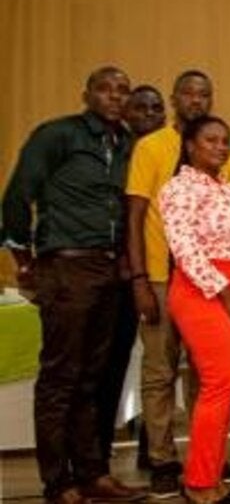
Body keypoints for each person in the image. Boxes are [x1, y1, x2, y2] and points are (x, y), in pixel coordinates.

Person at [2, 66, 144, 504]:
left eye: (123, 91)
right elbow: (16, 197)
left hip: (107, 270)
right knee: (60, 378)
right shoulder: (57, 135)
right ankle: (58, 482)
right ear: (87, 93)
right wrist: (25, 261)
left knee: (92, 378)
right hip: (65, 264)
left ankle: (93, 474)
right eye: (105, 89)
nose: (115, 97)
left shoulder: (125, 144)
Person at [127, 69, 230, 498]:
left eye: (204, 94)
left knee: (206, 375)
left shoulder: (224, 153)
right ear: (175, 98)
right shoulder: (152, 146)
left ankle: (202, 458)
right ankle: (161, 458)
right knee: (159, 371)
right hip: (161, 276)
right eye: (189, 93)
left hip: (210, 284)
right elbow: (136, 214)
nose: (196, 100)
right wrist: (139, 277)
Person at [157, 115, 230, 504]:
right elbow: (185, 249)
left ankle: (213, 478)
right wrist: (223, 290)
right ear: (190, 146)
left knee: (226, 387)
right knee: (220, 385)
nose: (220, 147)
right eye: (210, 140)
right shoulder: (179, 189)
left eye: (225, 141)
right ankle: (198, 484)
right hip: (203, 290)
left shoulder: (227, 189)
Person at [95, 83, 164, 466]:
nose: (149, 114)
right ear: (126, 114)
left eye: (156, 108)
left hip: (158, 277)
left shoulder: (171, 153)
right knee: (111, 366)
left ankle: (150, 452)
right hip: (116, 278)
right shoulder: (115, 154)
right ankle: (98, 454)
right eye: (140, 107)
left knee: (158, 368)